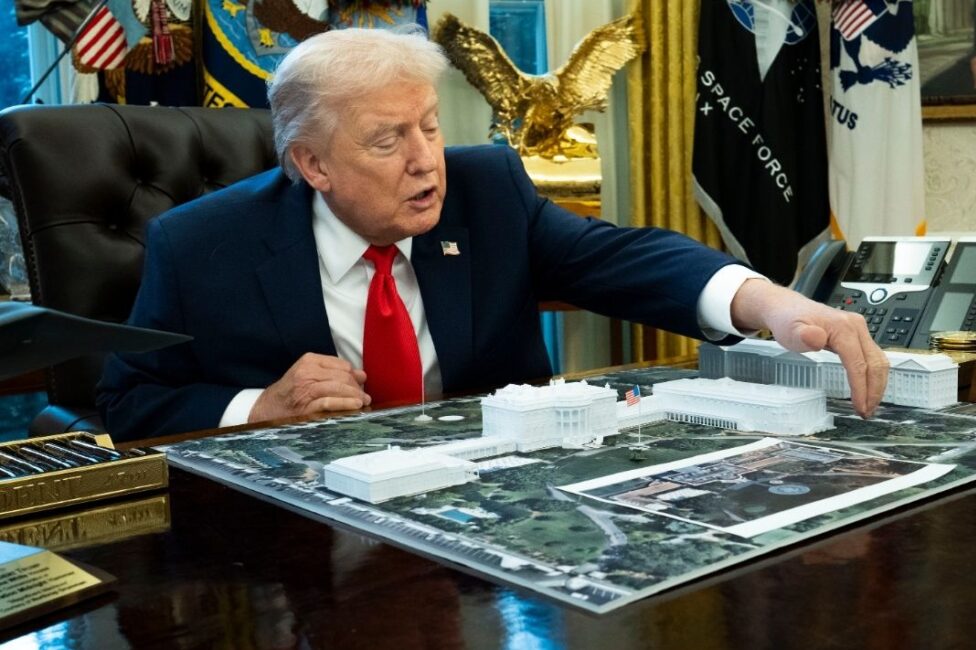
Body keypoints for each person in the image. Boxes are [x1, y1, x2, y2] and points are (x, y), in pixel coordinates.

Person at [96, 28, 888, 441]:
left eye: (430, 126)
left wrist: (769, 303)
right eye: (387, 141)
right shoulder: (201, 245)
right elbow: (130, 402)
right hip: (302, 546)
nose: (425, 161)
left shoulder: (486, 190)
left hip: (485, 514)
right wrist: (259, 407)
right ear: (312, 163)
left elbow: (619, 257)